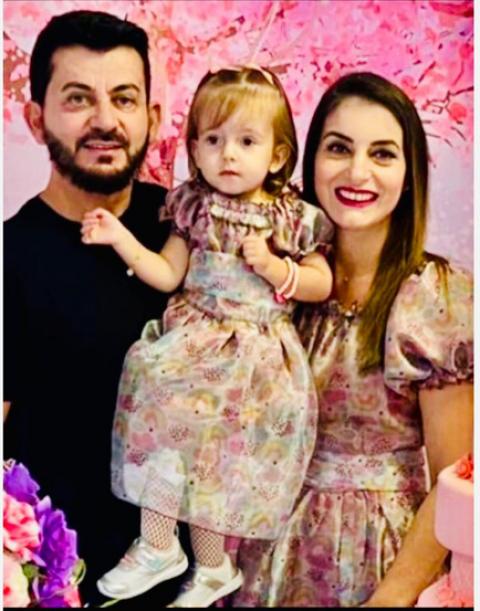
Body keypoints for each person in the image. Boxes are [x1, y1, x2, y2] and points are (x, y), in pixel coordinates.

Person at [80, 65, 334, 607]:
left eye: (247, 142)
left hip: (254, 361)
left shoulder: (288, 216)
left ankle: (214, 565)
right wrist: (120, 237)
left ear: (278, 155)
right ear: (194, 148)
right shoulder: (194, 207)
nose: (228, 155)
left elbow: (321, 281)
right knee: (166, 441)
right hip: (192, 348)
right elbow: (167, 273)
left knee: (217, 466)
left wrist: (275, 268)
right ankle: (159, 544)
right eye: (213, 140)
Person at [229, 72, 473, 607]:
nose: (357, 172)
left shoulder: (436, 297)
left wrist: (392, 596)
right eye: (338, 148)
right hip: (266, 555)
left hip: (382, 560)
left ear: (408, 176)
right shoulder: (276, 278)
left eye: (382, 154)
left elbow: (456, 477)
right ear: (311, 160)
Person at [3, 10, 179, 607]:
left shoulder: (191, 232)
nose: (105, 120)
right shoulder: (10, 259)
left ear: (152, 116)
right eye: (78, 99)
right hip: (60, 582)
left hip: (196, 579)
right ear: (36, 119)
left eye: (124, 99)